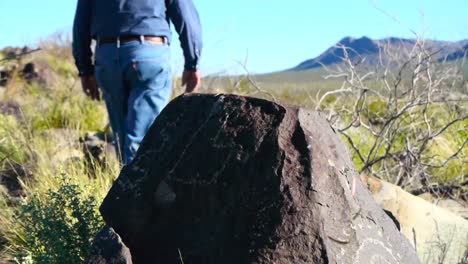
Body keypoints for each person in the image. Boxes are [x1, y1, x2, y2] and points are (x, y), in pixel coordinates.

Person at [72, 0, 202, 165]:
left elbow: (80, 25)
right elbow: (186, 17)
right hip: (149, 54)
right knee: (142, 139)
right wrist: (192, 63)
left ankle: (125, 184)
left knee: (122, 136)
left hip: (107, 56)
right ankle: (136, 187)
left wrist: (85, 70)